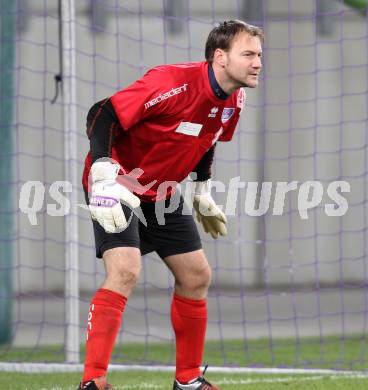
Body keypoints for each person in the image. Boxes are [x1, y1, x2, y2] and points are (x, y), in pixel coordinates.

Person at [78, 19, 263, 390]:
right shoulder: (171, 82)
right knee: (126, 271)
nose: (258, 63)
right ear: (220, 57)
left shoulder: (235, 99)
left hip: (161, 191)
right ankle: (92, 381)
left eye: (259, 55)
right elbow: (103, 112)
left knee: (197, 276)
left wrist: (202, 190)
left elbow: (206, 140)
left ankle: (188, 380)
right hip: (119, 184)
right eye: (249, 54)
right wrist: (102, 167)